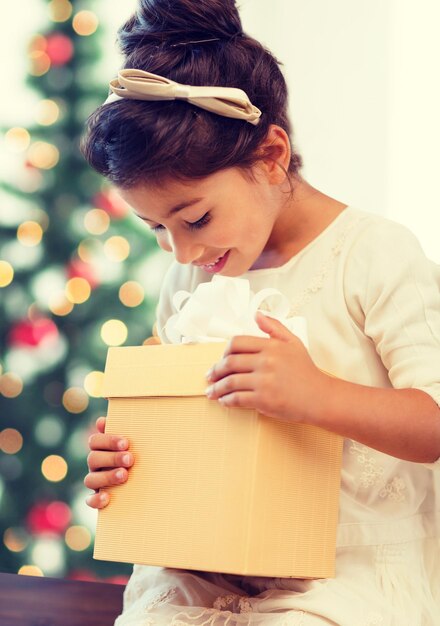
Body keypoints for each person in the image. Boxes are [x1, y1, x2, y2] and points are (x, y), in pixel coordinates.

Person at [81, 1, 440, 624]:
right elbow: (183, 420)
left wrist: (317, 394)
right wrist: (128, 453)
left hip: (344, 570)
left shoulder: (374, 253)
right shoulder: (189, 276)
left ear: (272, 155)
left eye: (195, 219)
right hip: (209, 558)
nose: (183, 250)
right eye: (155, 229)